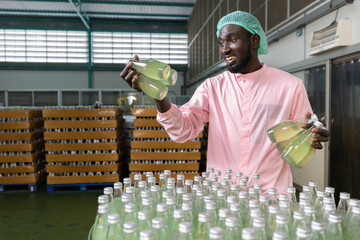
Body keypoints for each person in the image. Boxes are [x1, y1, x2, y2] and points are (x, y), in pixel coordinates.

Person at [120, 11, 330, 194]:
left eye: (232, 40)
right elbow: (182, 131)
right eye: (221, 42)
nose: (224, 49)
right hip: (223, 197)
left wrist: (313, 137)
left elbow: (303, 134)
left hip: (272, 196)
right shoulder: (212, 88)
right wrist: (159, 97)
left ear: (254, 41)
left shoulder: (289, 86)